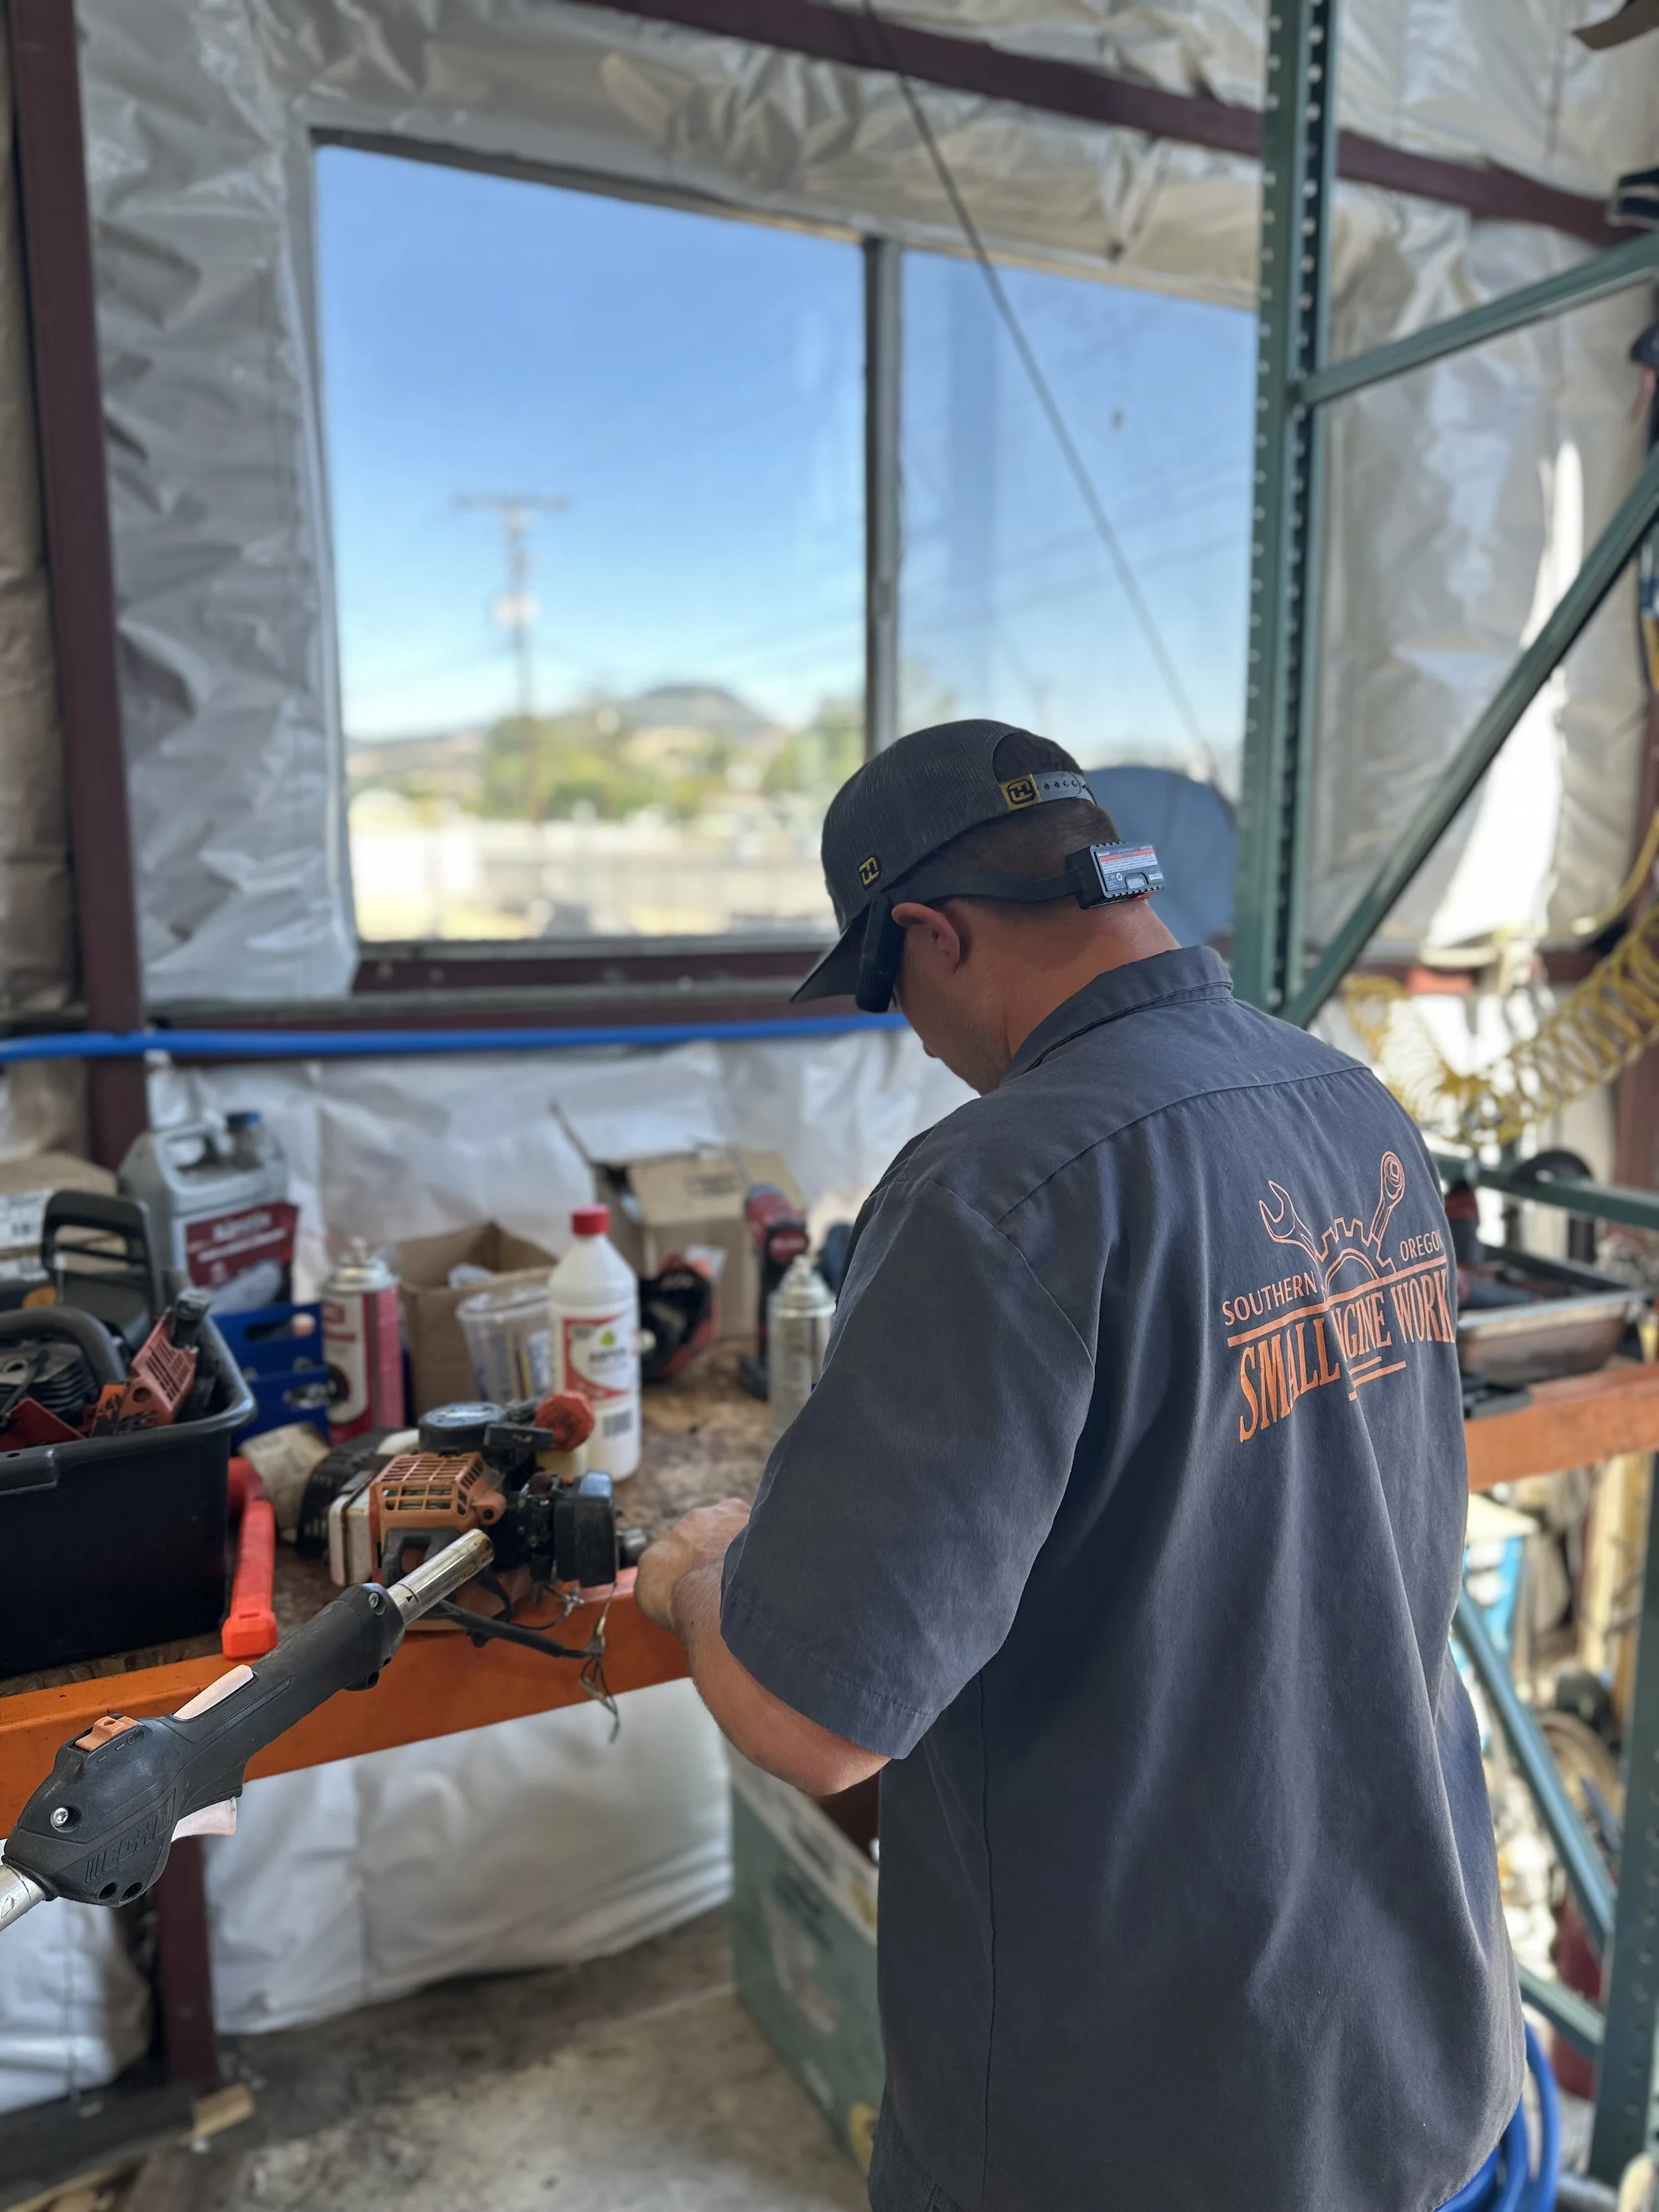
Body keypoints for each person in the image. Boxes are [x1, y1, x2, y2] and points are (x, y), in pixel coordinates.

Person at [636, 719, 1522, 2212]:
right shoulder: (1348, 1105)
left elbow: (813, 1723)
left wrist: (693, 1578)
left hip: (1132, 2119)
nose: (911, 1035)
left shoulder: (998, 1183)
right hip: (1412, 2056)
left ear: (931, 930)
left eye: (887, 987)